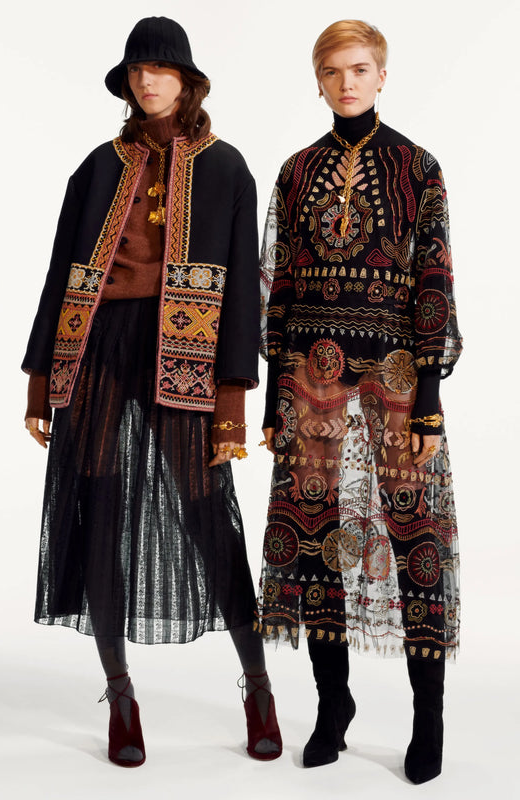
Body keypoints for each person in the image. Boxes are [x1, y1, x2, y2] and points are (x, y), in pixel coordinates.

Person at [22, 16, 281, 767]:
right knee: (99, 509)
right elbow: (60, 271)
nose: (147, 80)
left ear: (187, 80)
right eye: (137, 69)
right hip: (98, 347)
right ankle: (120, 695)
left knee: (207, 514)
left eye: (160, 68)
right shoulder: (97, 166)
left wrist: (231, 406)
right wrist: (40, 384)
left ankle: (258, 686)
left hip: (186, 350)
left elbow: (242, 296)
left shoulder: (226, 167)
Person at [256, 19, 462, 784]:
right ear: (317, 82)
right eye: (332, 71)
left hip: (397, 376)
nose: (347, 82)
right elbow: (276, 285)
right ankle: (331, 707)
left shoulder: (417, 167)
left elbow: (434, 280)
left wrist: (429, 398)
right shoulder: (295, 171)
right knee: (314, 538)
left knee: (415, 540)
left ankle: (427, 717)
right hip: (308, 375)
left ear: (381, 75)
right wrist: (274, 397)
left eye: (360, 68)